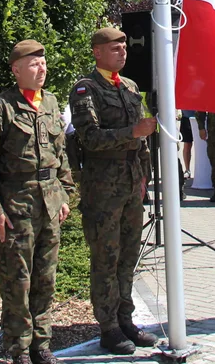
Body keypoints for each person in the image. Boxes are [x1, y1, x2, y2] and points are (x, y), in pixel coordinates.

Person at [0, 40, 74, 364]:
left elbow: (62, 152)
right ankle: (18, 349)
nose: (41, 69)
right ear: (16, 70)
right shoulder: (2, 106)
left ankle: (41, 345)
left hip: (49, 203)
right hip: (17, 207)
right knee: (18, 281)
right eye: (33, 64)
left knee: (46, 277)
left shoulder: (51, 102)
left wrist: (65, 193)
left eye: (43, 63)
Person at [70, 27, 157, 355]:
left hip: (132, 184)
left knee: (128, 258)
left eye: (123, 45)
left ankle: (126, 320)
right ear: (97, 52)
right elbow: (89, 137)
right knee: (105, 259)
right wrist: (131, 132)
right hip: (103, 188)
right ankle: (107, 327)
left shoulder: (131, 86)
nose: (122, 51)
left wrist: (145, 177)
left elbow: (142, 139)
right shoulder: (85, 89)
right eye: (114, 47)